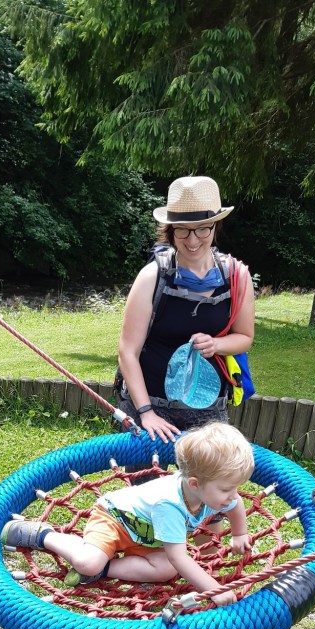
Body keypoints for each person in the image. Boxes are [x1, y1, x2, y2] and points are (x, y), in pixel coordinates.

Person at [0, 422, 254, 607]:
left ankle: (105, 569)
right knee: (88, 562)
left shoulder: (212, 493)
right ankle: (44, 535)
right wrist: (214, 589)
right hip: (115, 519)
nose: (233, 495)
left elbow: (236, 504)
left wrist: (239, 534)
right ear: (195, 484)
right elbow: (180, 557)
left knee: (165, 570)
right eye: (227, 489)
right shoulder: (169, 505)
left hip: (148, 537)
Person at [116, 175, 255, 443]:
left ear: (215, 226)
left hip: (207, 411)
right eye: (182, 230)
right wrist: (146, 413)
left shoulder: (236, 277)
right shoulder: (152, 277)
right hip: (148, 403)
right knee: (143, 471)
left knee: (207, 472)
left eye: (202, 229)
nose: (192, 241)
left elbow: (244, 338)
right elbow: (127, 351)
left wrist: (216, 344)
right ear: (171, 230)